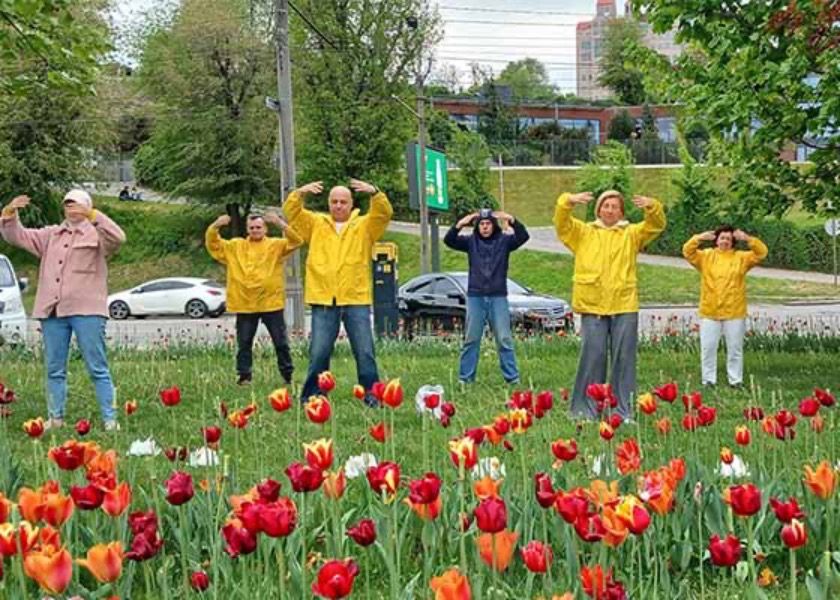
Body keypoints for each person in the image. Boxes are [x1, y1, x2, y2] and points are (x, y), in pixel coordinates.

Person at [0, 190, 125, 430]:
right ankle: (55, 418)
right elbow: (18, 236)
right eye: (67, 204)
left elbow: (118, 237)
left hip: (87, 310)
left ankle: (110, 419)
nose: (71, 208)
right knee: (54, 368)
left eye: (76, 204)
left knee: (97, 365)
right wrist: (9, 213)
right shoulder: (51, 235)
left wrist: (92, 215)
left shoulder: (98, 234)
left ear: (87, 207)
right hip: (53, 311)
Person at [554, 189, 666, 420]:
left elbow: (656, 226)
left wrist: (651, 205)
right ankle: (585, 410)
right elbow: (561, 224)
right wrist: (568, 202)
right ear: (599, 209)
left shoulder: (632, 234)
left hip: (624, 303)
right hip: (592, 302)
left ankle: (622, 411)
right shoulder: (583, 232)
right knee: (592, 355)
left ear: (621, 212)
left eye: (615, 207)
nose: (610, 210)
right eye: (606, 205)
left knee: (624, 358)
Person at [283, 179, 393, 406]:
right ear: (328, 203)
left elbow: (383, 214)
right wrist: (299, 193)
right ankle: (313, 397)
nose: (339, 205)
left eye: (343, 201)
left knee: (365, 352)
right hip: (323, 298)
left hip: (356, 298)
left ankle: (372, 396)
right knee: (319, 353)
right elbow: (292, 213)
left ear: (352, 204)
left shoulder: (365, 225)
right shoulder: (315, 223)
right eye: (334, 201)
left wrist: (376, 193)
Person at [206, 212, 303, 386]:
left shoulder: (276, 245)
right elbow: (213, 244)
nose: (255, 230)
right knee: (244, 343)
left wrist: (280, 223)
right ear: (247, 229)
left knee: (280, 342)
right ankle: (244, 377)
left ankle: (287, 375)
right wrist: (216, 225)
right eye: (252, 228)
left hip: (271, 303)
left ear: (265, 229)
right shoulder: (236, 246)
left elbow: (297, 241)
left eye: (259, 227)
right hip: (245, 304)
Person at [444, 208, 529, 384]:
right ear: (477, 226)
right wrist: (461, 223)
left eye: (488, 223)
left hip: (498, 296)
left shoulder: (504, 241)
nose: (484, 227)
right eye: (481, 224)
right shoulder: (470, 242)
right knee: (471, 339)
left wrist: (512, 219)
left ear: (494, 225)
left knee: (504, 339)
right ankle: (465, 379)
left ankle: (512, 379)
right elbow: (449, 240)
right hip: (476, 296)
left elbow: (523, 237)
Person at [682, 226, 768, 388]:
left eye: (728, 239)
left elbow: (762, 252)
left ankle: (735, 380)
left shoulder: (741, 258)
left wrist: (748, 239)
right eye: (722, 238)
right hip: (710, 310)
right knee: (708, 348)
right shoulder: (706, 256)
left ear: (733, 242)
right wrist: (699, 237)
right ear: (716, 240)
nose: (725, 242)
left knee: (735, 349)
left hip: (734, 311)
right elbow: (687, 251)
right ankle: (708, 380)